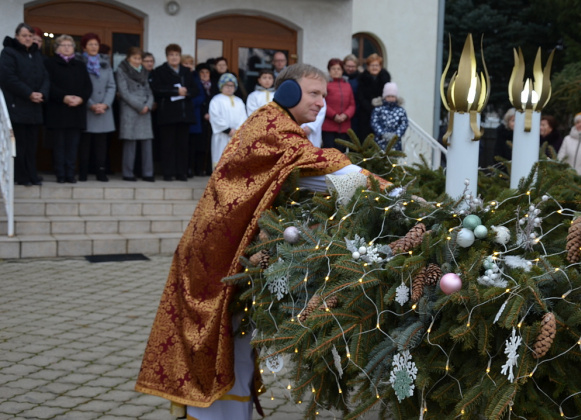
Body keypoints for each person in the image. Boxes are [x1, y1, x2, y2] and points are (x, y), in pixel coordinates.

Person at [136, 63, 397, 420]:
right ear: (288, 92)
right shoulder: (273, 128)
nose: (322, 102)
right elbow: (326, 173)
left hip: (219, 253)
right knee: (225, 345)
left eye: (324, 94)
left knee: (233, 346)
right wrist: (396, 195)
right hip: (217, 259)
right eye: (314, 93)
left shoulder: (277, 124)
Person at [0, 23, 49, 186]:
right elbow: (8, 78)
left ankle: (32, 174)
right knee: (19, 144)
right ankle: (21, 176)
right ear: (17, 37)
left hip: (34, 108)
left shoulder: (35, 54)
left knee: (31, 145)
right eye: (24, 36)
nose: (28, 39)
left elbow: (45, 77)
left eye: (30, 36)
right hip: (17, 106)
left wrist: (42, 92)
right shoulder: (9, 52)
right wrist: (29, 93)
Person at [44, 34, 92, 184]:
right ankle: (60, 174)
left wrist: (81, 98)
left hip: (76, 112)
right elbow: (48, 85)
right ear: (57, 48)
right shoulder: (50, 64)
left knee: (73, 145)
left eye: (69, 45)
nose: (67, 48)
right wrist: (63, 97)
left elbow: (87, 86)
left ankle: (70, 173)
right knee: (59, 145)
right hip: (58, 111)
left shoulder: (80, 65)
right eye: (63, 45)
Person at [150, 43, 198, 181]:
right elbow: (157, 89)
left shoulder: (186, 71)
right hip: (167, 114)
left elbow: (195, 90)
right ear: (167, 57)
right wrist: (174, 91)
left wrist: (186, 92)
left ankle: (181, 172)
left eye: (177, 55)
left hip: (184, 114)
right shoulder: (160, 71)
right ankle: (168, 172)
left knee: (182, 145)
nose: (174, 57)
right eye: (171, 55)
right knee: (168, 145)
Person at [78, 33, 116, 182]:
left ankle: (101, 171)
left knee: (101, 144)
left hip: (104, 109)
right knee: (85, 144)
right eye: (90, 44)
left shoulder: (105, 63)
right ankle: (83, 172)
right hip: (88, 107)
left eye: (96, 44)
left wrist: (105, 104)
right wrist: (92, 104)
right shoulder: (79, 63)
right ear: (84, 47)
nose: (94, 47)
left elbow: (112, 86)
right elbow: (80, 86)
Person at [116, 46, 154, 182]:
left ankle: (148, 173)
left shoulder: (144, 71)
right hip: (130, 109)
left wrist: (148, 105)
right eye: (135, 58)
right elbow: (124, 92)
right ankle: (128, 173)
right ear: (128, 58)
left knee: (146, 142)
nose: (138, 61)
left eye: (139, 58)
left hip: (144, 109)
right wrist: (139, 106)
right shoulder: (121, 70)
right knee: (130, 141)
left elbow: (149, 91)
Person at [208, 73, 248, 170]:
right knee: (221, 157)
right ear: (221, 86)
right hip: (222, 134)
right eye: (227, 85)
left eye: (232, 86)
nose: (229, 88)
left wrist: (238, 131)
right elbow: (215, 116)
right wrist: (227, 130)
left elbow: (244, 117)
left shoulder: (239, 101)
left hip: (236, 136)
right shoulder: (216, 100)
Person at [321, 58, 355, 152]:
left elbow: (352, 104)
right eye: (333, 69)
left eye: (338, 69)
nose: (336, 71)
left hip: (344, 125)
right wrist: (334, 115)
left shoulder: (347, 85)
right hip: (329, 126)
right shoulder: (326, 84)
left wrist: (345, 115)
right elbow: (322, 102)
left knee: (341, 153)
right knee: (329, 152)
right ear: (329, 70)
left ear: (342, 71)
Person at [355, 53, 391, 141]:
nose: (374, 67)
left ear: (380, 66)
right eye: (372, 65)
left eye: (377, 65)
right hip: (365, 114)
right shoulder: (362, 79)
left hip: (382, 114)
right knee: (366, 139)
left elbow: (389, 96)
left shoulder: (385, 79)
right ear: (367, 67)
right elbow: (360, 97)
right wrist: (370, 107)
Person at [189, 63, 212, 177]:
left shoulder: (214, 86)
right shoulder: (197, 85)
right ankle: (194, 169)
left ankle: (205, 169)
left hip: (212, 120)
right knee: (196, 146)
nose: (204, 75)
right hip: (199, 119)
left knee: (206, 147)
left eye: (207, 72)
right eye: (202, 73)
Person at [370, 82, 408, 151]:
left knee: (394, 161)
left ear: (396, 97)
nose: (390, 98)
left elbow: (404, 123)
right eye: (388, 96)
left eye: (393, 96)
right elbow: (374, 122)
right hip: (380, 142)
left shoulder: (400, 110)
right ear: (384, 97)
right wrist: (382, 133)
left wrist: (396, 135)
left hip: (395, 143)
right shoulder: (378, 109)